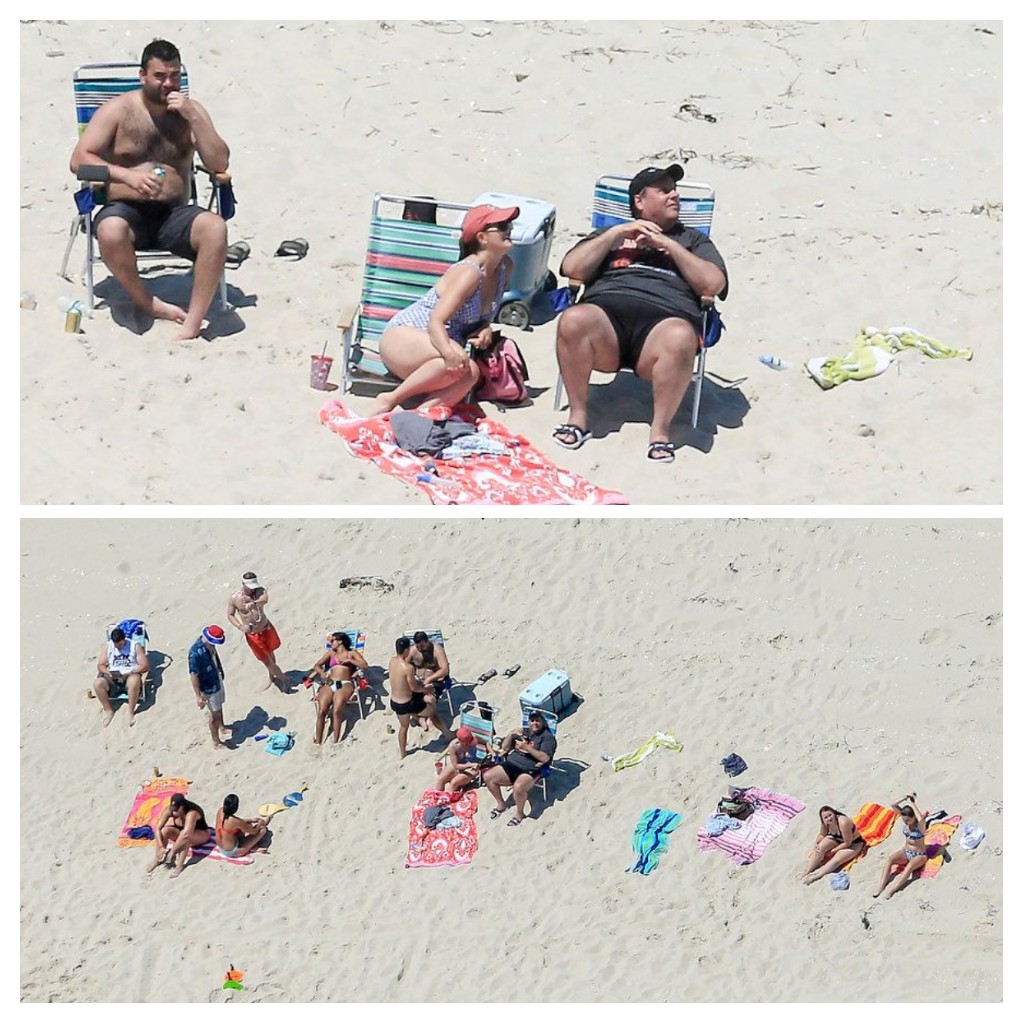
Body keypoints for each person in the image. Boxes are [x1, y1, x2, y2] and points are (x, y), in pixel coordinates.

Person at [554, 164, 729, 463]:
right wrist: (616, 233)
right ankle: (578, 417)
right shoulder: (608, 236)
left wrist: (668, 245)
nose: (675, 195)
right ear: (639, 201)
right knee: (573, 319)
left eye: (675, 190)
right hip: (605, 329)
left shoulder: (693, 241)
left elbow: (714, 283)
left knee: (680, 336)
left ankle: (660, 432)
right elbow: (572, 268)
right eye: (664, 190)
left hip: (661, 334)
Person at [68, 39, 230, 341]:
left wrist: (194, 118)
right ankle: (148, 302)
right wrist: (125, 176)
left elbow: (219, 162)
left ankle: (192, 324)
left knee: (215, 228)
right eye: (159, 76)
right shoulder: (118, 110)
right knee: (111, 231)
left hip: (175, 214)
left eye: (174, 75)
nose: (168, 83)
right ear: (143, 76)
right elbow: (79, 161)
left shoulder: (191, 114)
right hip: (127, 212)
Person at [368, 204, 519, 414]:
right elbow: (435, 322)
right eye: (502, 226)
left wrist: (485, 328)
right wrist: (450, 353)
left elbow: (484, 315)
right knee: (461, 363)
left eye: (510, 223)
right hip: (406, 337)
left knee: (471, 372)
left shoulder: (505, 267)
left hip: (434, 350)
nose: (509, 229)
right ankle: (389, 399)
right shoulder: (469, 273)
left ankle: (421, 415)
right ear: (482, 238)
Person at [482, 709, 557, 827]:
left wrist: (527, 748)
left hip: (531, 768)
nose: (535, 723)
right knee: (487, 776)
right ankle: (501, 804)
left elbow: (545, 758)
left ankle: (519, 813)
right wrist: (511, 734)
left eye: (537, 720)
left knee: (518, 787)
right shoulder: (524, 732)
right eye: (532, 721)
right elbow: (505, 748)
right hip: (512, 763)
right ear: (528, 722)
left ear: (542, 721)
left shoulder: (547, 737)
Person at [387, 637, 454, 759]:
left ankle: (402, 753)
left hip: (395, 702)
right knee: (432, 712)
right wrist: (426, 689)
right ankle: (448, 734)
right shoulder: (408, 668)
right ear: (407, 649)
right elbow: (414, 688)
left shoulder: (392, 661)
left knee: (403, 727)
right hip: (408, 703)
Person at [227, 571, 287, 689]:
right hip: (253, 634)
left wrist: (254, 603)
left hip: (266, 627)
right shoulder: (235, 598)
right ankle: (284, 679)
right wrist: (240, 626)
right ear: (243, 584)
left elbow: (265, 599)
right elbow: (230, 615)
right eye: (249, 587)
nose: (251, 590)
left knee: (270, 652)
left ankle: (272, 675)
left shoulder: (259, 591)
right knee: (266, 661)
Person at [308, 632, 369, 744]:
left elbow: (365, 665)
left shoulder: (352, 653)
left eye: (333, 641)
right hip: (330, 682)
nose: (331, 643)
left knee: (336, 710)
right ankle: (318, 741)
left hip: (345, 683)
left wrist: (350, 661)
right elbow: (316, 665)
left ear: (340, 641)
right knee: (322, 711)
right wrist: (321, 672)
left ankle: (336, 741)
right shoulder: (331, 654)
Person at [874, 793, 929, 900]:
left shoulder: (920, 826)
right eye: (904, 820)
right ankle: (881, 886)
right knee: (890, 859)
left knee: (909, 868)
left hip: (919, 855)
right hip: (906, 851)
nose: (905, 822)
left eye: (908, 820)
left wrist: (912, 803)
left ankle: (893, 889)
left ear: (913, 817)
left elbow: (921, 819)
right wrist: (905, 797)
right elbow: (893, 804)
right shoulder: (906, 822)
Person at [94, 626, 149, 728]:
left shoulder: (134, 646)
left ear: (124, 639)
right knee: (97, 683)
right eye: (116, 645)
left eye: (120, 645)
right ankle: (108, 710)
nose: (118, 648)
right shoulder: (108, 647)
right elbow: (100, 665)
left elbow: (144, 665)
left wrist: (130, 672)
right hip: (113, 675)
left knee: (134, 680)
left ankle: (131, 711)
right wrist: (108, 672)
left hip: (130, 674)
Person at [188, 624, 231, 749]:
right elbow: (193, 675)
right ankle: (216, 741)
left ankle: (222, 727)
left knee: (219, 705)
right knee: (214, 715)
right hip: (208, 687)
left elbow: (215, 659)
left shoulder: (210, 646)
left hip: (216, 679)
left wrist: (221, 672)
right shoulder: (195, 654)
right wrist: (198, 696)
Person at [148, 793, 211, 878]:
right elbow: (158, 828)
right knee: (164, 831)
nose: (174, 811)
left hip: (200, 834)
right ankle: (157, 859)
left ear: (182, 806)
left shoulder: (191, 813)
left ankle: (179, 866)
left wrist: (172, 851)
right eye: (173, 808)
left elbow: (186, 834)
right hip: (183, 832)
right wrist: (160, 846)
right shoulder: (170, 810)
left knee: (185, 837)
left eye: (177, 809)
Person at [802, 805, 867, 884]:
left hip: (854, 843)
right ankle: (807, 871)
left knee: (836, 859)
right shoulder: (825, 823)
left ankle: (816, 876)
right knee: (820, 848)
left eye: (830, 815)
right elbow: (822, 834)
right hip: (837, 839)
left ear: (834, 813)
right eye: (826, 817)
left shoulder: (843, 822)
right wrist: (816, 843)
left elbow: (847, 842)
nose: (829, 818)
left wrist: (833, 851)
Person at [435, 725, 488, 793]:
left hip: (472, 768)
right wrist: (470, 765)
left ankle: (446, 800)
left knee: (453, 783)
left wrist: (492, 753)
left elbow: (486, 742)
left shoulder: (474, 739)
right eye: (468, 742)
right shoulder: (453, 746)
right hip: (460, 765)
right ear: (461, 741)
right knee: (441, 779)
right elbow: (456, 765)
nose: (470, 743)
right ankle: (436, 798)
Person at [410, 630, 453, 703]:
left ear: (428, 641)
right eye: (418, 647)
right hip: (418, 681)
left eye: (422, 646)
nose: (420, 649)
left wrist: (429, 679)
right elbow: (403, 664)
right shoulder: (413, 650)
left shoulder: (437, 650)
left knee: (428, 699)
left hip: (434, 681)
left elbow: (445, 670)